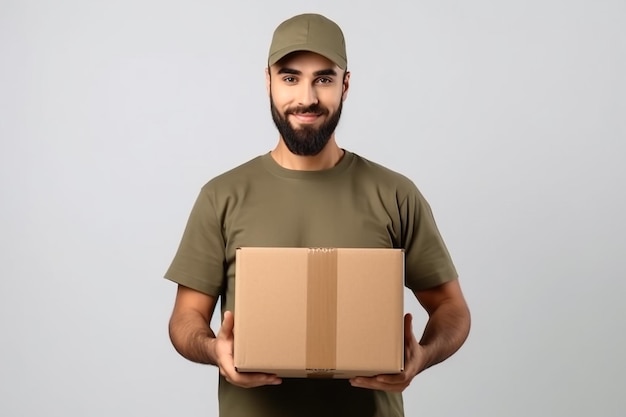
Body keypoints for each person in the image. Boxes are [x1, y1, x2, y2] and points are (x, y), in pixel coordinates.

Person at [164, 12, 471, 417]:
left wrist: (423, 356)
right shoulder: (222, 196)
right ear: (268, 82)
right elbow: (186, 318)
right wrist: (213, 349)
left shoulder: (395, 194)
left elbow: (452, 307)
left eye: (323, 79)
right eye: (290, 78)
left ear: (345, 85)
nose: (306, 97)